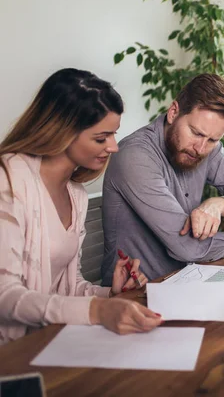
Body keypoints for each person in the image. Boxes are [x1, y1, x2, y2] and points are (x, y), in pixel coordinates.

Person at [0, 68, 162, 345]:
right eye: (101, 138)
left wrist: (109, 295)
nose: (113, 147)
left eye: (114, 135)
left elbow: (69, 287)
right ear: (63, 131)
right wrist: (97, 311)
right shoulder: (10, 178)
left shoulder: (76, 194)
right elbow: (5, 295)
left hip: (49, 344)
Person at [101, 74, 224, 285]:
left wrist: (219, 204)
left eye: (213, 140)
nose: (200, 148)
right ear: (173, 112)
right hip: (134, 296)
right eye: (196, 133)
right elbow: (187, 248)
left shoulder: (207, 148)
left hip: (187, 284)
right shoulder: (135, 156)